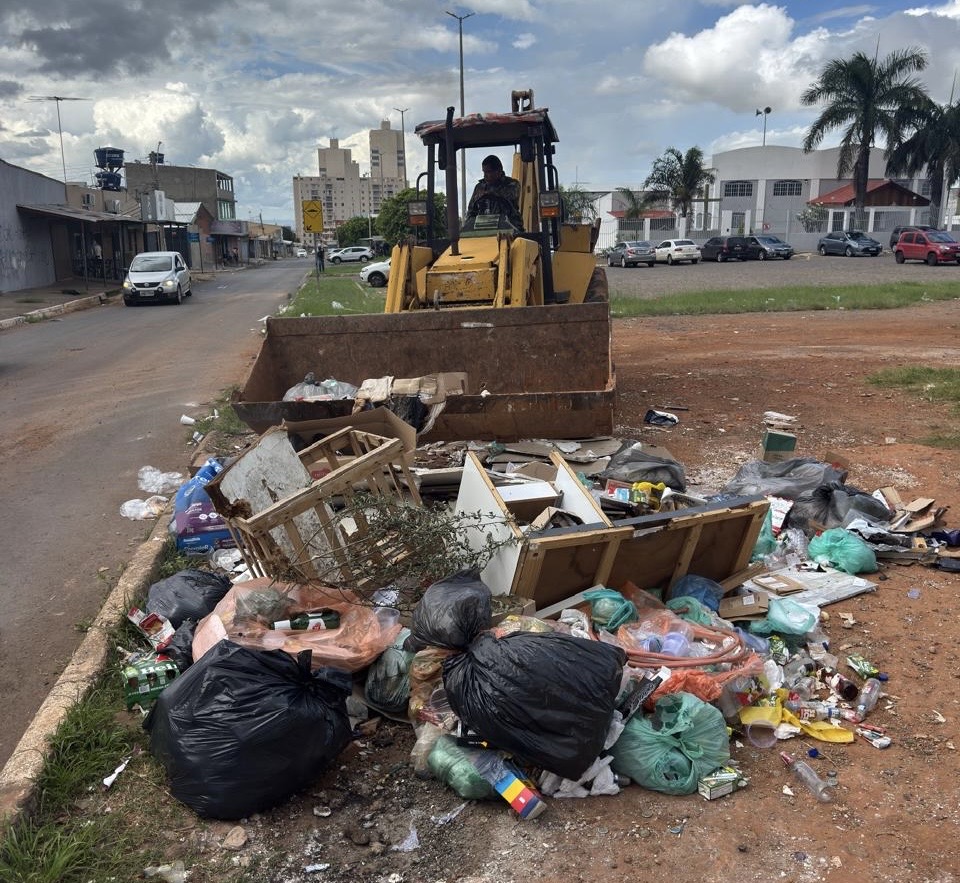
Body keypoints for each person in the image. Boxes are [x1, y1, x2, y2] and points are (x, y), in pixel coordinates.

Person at [466, 155, 523, 230]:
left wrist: (489, 193)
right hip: (484, 229)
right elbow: (471, 210)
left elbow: (509, 197)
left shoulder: (512, 184)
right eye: (484, 172)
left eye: (488, 172)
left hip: (510, 228)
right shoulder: (479, 187)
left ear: (499, 171)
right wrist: (468, 226)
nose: (485, 175)